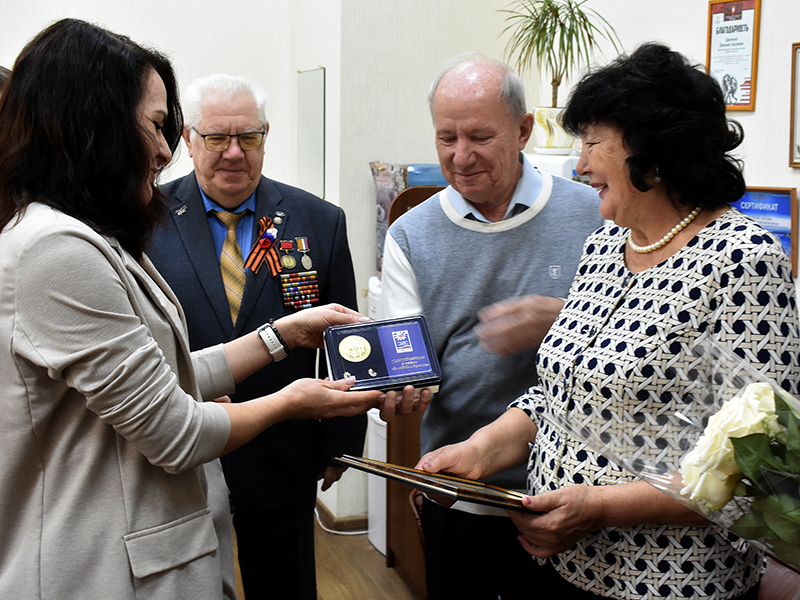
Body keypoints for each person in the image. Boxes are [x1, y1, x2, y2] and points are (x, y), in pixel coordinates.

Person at [0, 18, 415, 599]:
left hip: (249, 482)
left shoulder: (96, 233)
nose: (164, 150)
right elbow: (172, 426)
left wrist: (280, 336)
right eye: (155, 126)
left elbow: (165, 372)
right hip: (107, 551)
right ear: (93, 124)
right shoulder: (60, 249)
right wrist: (293, 400)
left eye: (248, 137)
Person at [416, 43, 800, 600]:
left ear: (654, 150)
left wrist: (598, 507)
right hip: (567, 568)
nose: (580, 164)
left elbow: (755, 461)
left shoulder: (742, 260)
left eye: (594, 141)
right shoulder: (605, 245)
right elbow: (557, 395)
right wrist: (480, 449)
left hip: (672, 581)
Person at [380, 53, 604, 599]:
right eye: (445, 138)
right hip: (463, 489)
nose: (461, 156)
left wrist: (559, 319)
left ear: (523, 129)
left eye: (480, 136)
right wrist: (399, 384)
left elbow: (635, 331)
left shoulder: (595, 211)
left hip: (575, 492)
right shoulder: (410, 234)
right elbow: (402, 359)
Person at [146, 73, 374, 600]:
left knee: (286, 585)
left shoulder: (318, 221)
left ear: (265, 136)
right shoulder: (145, 219)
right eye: (216, 138)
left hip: (284, 448)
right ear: (187, 139)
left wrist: (341, 444)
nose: (233, 153)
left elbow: (350, 342)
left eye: (248, 138)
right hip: (183, 451)